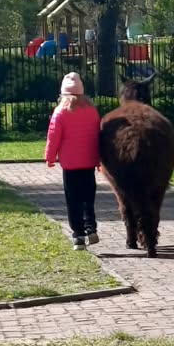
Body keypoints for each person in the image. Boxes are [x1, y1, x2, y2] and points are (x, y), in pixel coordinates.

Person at [44, 71, 101, 249]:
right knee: (88, 198)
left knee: (73, 199)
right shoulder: (92, 111)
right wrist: (99, 159)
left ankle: (78, 235)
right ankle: (91, 228)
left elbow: (54, 136)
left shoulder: (60, 112)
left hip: (70, 164)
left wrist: (50, 157)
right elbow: (97, 136)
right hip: (89, 162)